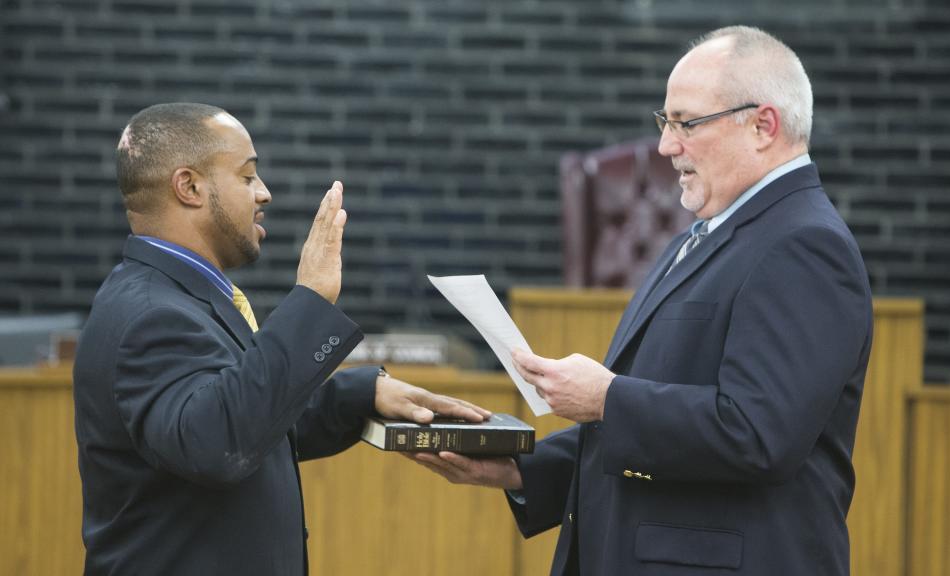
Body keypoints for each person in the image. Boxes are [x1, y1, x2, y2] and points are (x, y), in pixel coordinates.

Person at [411, 26, 873, 575]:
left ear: (762, 125)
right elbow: (670, 416)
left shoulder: (804, 245)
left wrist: (609, 398)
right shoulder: (704, 235)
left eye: (686, 123)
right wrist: (519, 467)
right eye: (665, 122)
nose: (665, 145)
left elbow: (756, 435)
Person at [72, 102, 491, 576]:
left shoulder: (176, 296)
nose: (264, 193)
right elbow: (220, 441)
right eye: (248, 176)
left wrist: (360, 394)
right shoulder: (152, 315)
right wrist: (311, 299)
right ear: (189, 186)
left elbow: (251, 415)